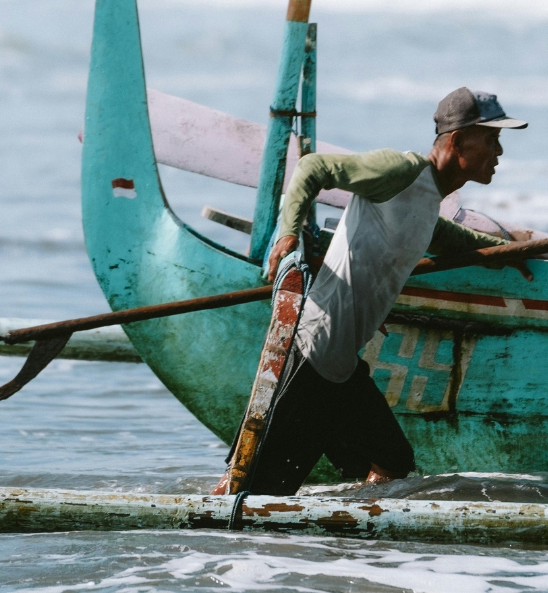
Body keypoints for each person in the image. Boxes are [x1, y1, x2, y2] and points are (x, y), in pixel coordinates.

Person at [226, 86, 531, 496]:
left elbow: (448, 236)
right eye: (491, 140)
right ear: (457, 141)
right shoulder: (401, 169)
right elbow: (313, 167)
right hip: (310, 353)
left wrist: (511, 252)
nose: (499, 152)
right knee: (246, 491)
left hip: (341, 368)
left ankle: (352, 551)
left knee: (393, 463)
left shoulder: (427, 200)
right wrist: (288, 233)